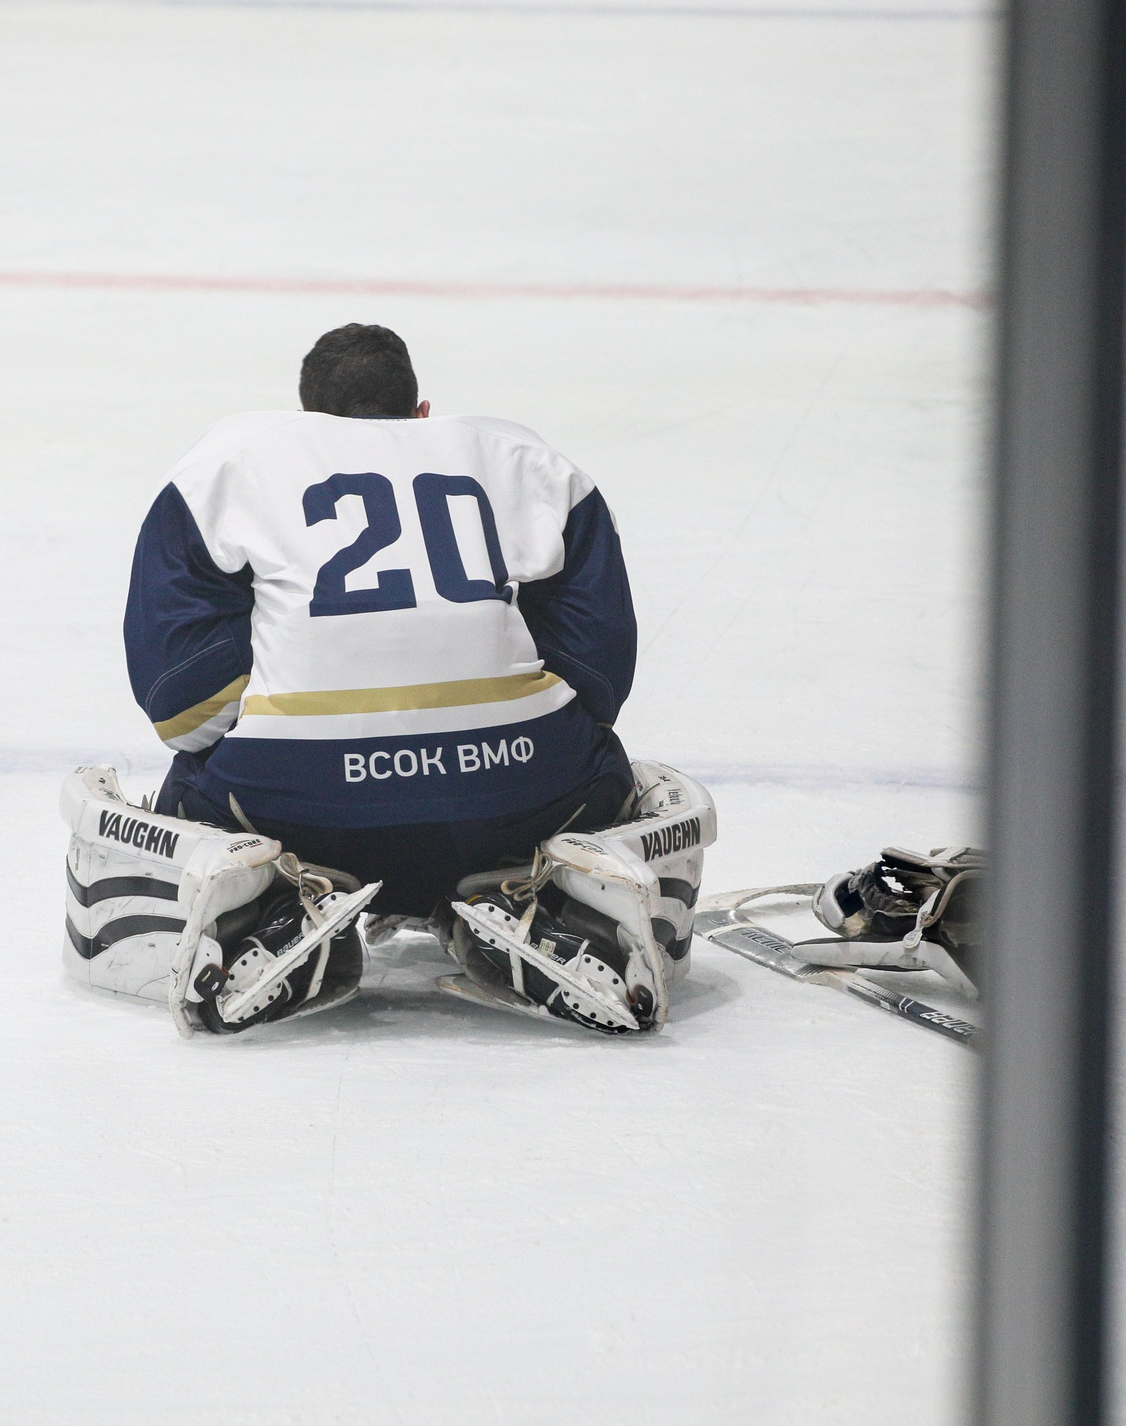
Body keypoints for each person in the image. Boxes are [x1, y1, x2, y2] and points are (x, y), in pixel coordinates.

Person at [61, 323, 716, 1037]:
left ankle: (268, 900)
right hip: (520, 796)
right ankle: (545, 892)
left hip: (294, 807)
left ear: (307, 420)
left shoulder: (228, 460)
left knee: (192, 784)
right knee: (601, 770)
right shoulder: (520, 453)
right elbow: (598, 679)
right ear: (421, 415)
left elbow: (183, 709)